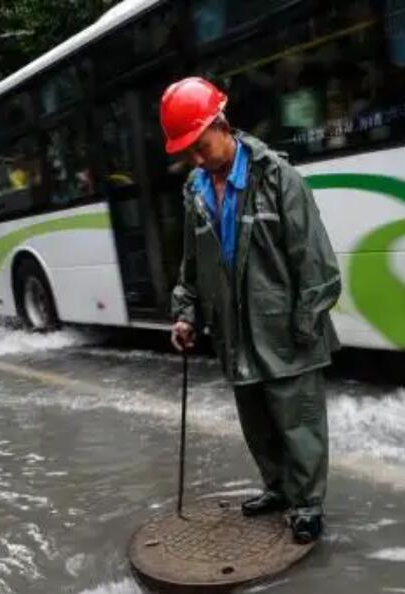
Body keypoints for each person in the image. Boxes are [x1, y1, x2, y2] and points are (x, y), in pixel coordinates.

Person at [161, 77, 342, 544]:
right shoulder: (196, 192)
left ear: (222, 124)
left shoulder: (279, 179)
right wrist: (185, 313)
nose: (197, 160)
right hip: (235, 332)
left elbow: (316, 262)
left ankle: (307, 504)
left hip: (285, 328)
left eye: (201, 147)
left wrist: (303, 328)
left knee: (297, 422)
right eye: (189, 154)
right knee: (258, 423)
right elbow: (192, 267)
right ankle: (278, 489)